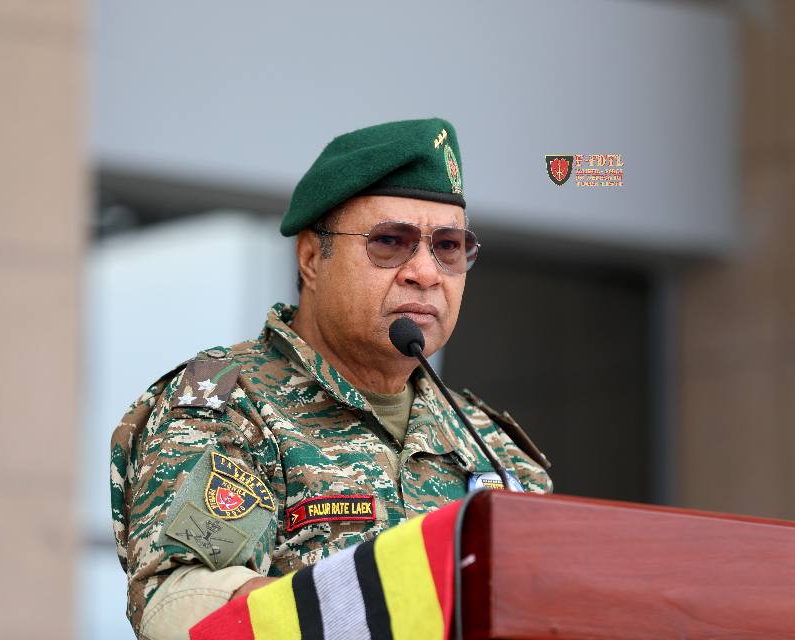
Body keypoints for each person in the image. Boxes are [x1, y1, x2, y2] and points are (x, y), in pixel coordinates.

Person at [109, 117, 552, 640]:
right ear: (312, 258)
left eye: (449, 247)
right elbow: (186, 607)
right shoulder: (227, 404)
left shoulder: (493, 447)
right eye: (390, 241)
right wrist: (369, 612)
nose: (427, 273)